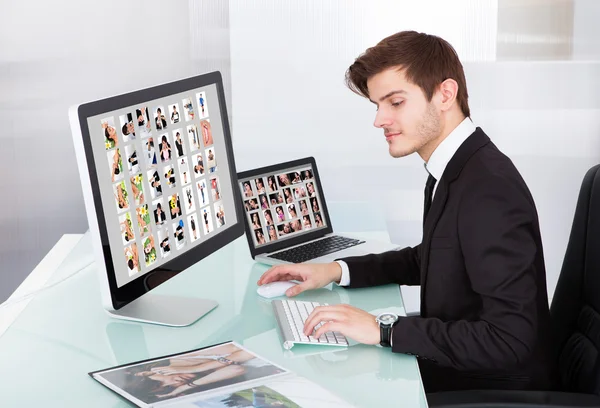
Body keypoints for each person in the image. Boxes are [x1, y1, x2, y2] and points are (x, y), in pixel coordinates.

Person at [257, 31, 557, 394]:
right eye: (377, 105)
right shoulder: (455, 168)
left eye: (395, 102)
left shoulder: (488, 190)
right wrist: (336, 271)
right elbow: (433, 258)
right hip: (463, 363)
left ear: (445, 94)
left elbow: (509, 340)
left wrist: (383, 329)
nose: (379, 119)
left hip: (491, 386)